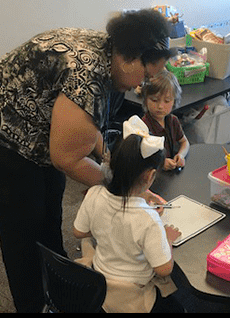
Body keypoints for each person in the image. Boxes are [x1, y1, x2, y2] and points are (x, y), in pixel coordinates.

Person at [0, 9, 173, 312]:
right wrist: (123, 184)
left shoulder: (111, 51)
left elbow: (88, 124)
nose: (143, 86)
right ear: (130, 58)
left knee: (49, 206)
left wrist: (109, 162)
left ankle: (57, 282)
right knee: (22, 225)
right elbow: (66, 159)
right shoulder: (87, 76)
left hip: (32, 127)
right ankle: (32, 304)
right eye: (146, 76)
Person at [70, 131, 183, 312]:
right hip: (130, 294)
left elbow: (79, 232)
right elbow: (163, 269)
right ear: (150, 175)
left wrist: (107, 227)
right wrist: (168, 238)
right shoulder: (149, 219)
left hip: (99, 281)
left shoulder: (94, 194)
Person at [138, 70, 188, 171]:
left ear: (174, 101)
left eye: (167, 101)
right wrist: (160, 163)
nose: (160, 106)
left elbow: (185, 142)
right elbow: (140, 158)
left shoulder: (173, 121)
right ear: (145, 99)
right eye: (155, 100)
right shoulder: (143, 126)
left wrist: (181, 155)